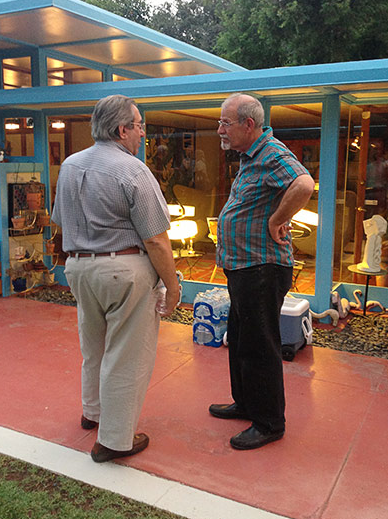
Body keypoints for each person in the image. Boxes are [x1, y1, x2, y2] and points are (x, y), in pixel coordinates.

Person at [52, 94, 180, 463]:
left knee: (93, 346)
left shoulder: (70, 165)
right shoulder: (133, 170)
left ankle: (92, 413)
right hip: (124, 270)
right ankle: (114, 439)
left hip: (78, 268)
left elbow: (61, 221)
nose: (142, 134)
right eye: (139, 126)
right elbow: (155, 238)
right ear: (122, 129)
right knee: (127, 354)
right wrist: (172, 287)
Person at [209, 93, 315, 450]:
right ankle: (247, 403)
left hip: (262, 268)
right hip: (244, 266)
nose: (220, 129)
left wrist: (278, 219)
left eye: (225, 122)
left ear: (248, 125)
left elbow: (303, 184)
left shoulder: (271, 153)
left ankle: (270, 422)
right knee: (239, 340)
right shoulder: (249, 156)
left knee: (260, 346)